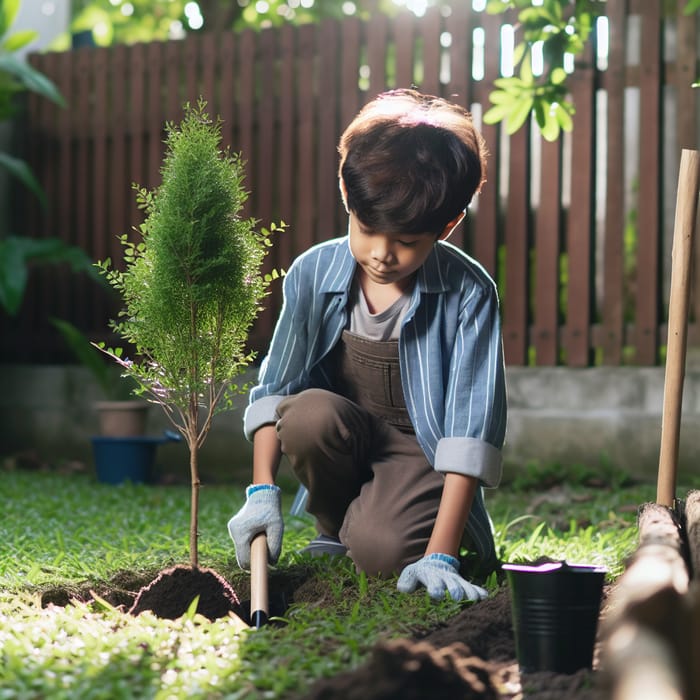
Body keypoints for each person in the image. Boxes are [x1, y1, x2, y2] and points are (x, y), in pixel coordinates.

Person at [228, 88, 507, 601]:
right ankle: (334, 529)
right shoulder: (314, 273)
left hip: (422, 454)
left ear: (448, 225)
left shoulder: (470, 293)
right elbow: (276, 389)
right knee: (307, 413)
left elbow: (470, 435)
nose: (381, 255)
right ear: (346, 195)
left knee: (380, 554)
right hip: (347, 433)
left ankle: (380, 532)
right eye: (367, 229)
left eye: (405, 242)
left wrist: (440, 554)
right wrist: (262, 492)